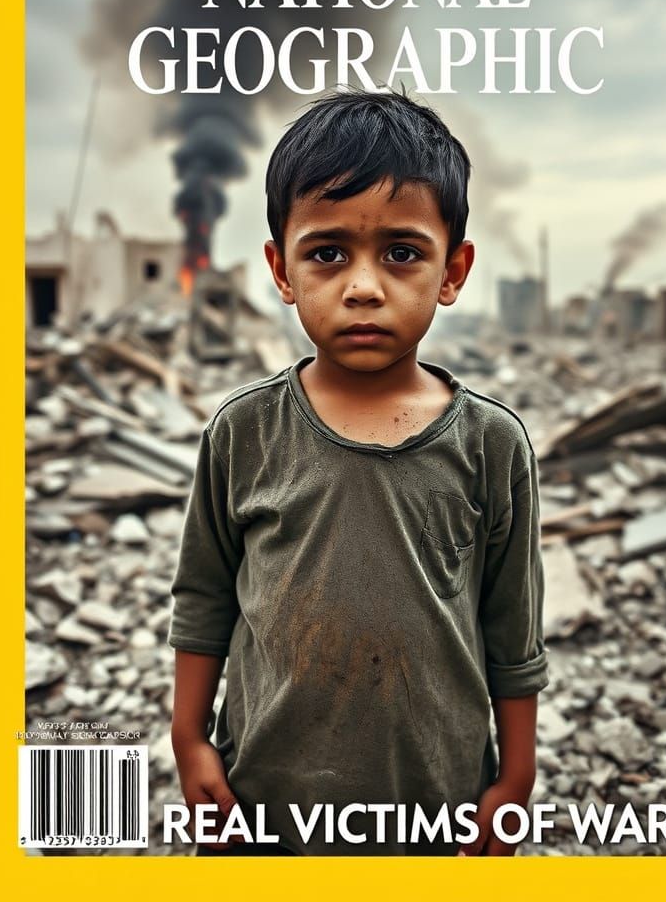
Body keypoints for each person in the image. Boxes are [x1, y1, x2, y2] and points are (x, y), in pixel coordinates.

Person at [168, 88, 549, 857]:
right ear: (281, 269)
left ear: (454, 270)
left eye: (402, 253)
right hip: (263, 807)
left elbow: (511, 629)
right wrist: (189, 736)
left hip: (434, 809)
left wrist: (514, 778)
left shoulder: (490, 444)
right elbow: (205, 596)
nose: (364, 286)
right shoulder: (244, 432)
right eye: (327, 253)